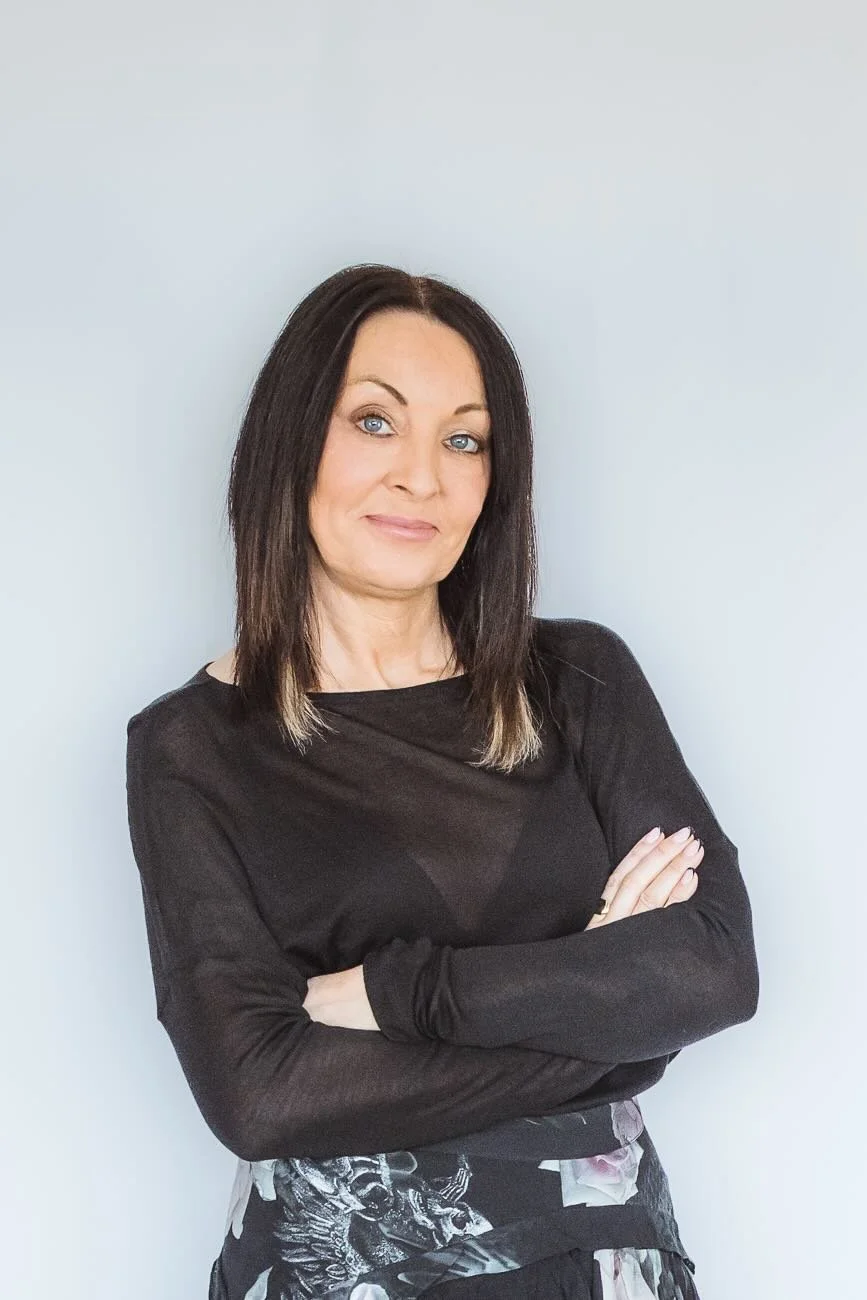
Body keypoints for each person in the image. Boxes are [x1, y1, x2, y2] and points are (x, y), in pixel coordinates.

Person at [124, 263, 759, 1299]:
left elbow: (715, 972)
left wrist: (396, 995)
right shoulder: (193, 747)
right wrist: (606, 1012)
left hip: (601, 1269)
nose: (421, 476)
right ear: (291, 442)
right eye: (375, 422)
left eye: (464, 440)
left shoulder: (579, 680)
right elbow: (263, 1095)